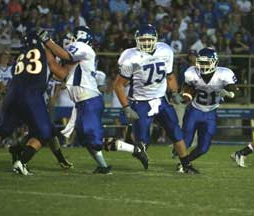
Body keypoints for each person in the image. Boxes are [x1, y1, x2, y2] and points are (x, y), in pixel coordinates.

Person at [0, 31, 65, 175]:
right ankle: (21, 162)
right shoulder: (43, 51)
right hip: (32, 95)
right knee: (44, 133)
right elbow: (60, 74)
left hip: (13, 94)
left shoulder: (20, 56)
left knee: (2, 129)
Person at [113, 24, 198, 173]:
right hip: (141, 102)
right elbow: (119, 85)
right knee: (143, 142)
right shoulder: (130, 57)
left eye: (149, 40)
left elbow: (170, 76)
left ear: (156, 39)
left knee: (176, 132)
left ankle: (186, 164)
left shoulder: (165, 50)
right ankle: (131, 144)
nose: (146, 43)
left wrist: (174, 93)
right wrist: (126, 107)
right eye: (143, 40)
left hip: (161, 100)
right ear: (137, 40)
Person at [39, 26, 117, 174]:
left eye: (71, 37)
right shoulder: (77, 56)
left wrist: (47, 41)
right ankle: (103, 166)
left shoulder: (82, 47)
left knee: (92, 136)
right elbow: (59, 73)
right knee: (84, 137)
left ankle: (132, 148)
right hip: (83, 101)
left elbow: (66, 56)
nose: (68, 41)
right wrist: (47, 48)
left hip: (89, 99)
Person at [180, 47, 237, 170]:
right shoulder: (191, 73)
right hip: (194, 110)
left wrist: (227, 92)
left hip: (211, 113)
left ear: (215, 62)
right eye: (201, 63)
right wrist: (186, 94)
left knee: (203, 148)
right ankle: (183, 161)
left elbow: (234, 91)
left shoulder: (224, 74)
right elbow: (186, 89)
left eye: (207, 63)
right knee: (186, 141)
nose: (204, 66)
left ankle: (185, 162)